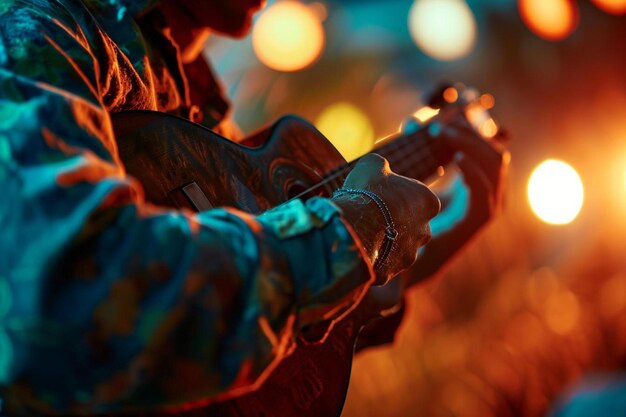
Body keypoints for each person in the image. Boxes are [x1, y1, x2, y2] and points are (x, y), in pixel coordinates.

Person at [0, 0, 508, 415]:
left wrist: (406, 256)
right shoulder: (41, 31)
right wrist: (360, 228)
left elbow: (252, 357)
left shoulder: (207, 115)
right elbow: (70, 301)